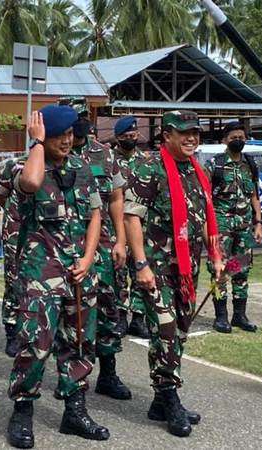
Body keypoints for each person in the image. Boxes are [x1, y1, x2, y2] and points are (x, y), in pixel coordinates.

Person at [6, 105, 108, 448]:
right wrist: (35, 143)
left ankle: (74, 412)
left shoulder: (82, 168)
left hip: (79, 273)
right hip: (40, 273)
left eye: (70, 134)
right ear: (42, 134)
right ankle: (22, 411)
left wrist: (90, 257)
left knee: (80, 343)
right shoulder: (22, 167)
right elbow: (32, 183)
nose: (67, 140)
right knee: (36, 343)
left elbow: (96, 214)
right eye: (59, 134)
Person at [124, 110, 224, 438]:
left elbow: (207, 216)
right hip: (156, 267)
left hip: (186, 268)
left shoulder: (198, 170)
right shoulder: (149, 166)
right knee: (165, 328)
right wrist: (140, 264)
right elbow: (131, 216)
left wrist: (217, 257)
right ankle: (170, 396)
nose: (192, 138)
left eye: (195, 132)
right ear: (167, 134)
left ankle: (158, 399)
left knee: (179, 330)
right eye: (184, 133)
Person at [71, 117, 131, 400]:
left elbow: (116, 197)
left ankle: (108, 373)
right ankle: (70, 378)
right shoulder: (50, 151)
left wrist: (121, 240)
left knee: (109, 308)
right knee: (70, 314)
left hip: (103, 246)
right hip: (65, 245)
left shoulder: (104, 154)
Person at [203, 121, 261, 333]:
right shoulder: (214, 165)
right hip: (221, 228)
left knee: (241, 270)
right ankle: (221, 316)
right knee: (219, 272)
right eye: (234, 137)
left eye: (242, 137)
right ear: (225, 140)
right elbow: (206, 199)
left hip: (244, 229)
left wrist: (259, 223)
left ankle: (239, 315)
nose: (239, 140)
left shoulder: (250, 164)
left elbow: (254, 195)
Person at [112, 116, 151, 339]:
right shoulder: (110, 160)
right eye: (126, 136)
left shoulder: (145, 161)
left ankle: (138, 317)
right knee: (118, 272)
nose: (131, 139)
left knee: (139, 269)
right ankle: (120, 317)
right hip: (117, 225)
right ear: (118, 138)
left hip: (140, 225)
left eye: (134, 135)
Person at [0, 157, 24, 358]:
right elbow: (0, 196)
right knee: (14, 281)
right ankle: (12, 332)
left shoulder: (63, 164)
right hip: (17, 231)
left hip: (48, 235)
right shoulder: (16, 165)